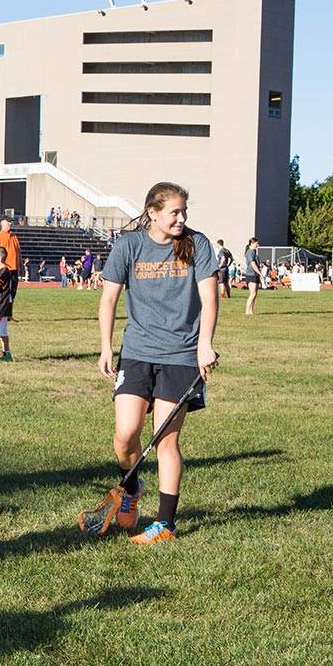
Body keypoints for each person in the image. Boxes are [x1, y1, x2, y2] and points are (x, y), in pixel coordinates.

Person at [98, 182, 219, 545]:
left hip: (181, 354)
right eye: (174, 212)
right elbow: (108, 300)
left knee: (166, 439)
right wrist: (106, 347)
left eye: (184, 212)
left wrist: (205, 345)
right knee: (125, 435)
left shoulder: (197, 245)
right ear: (152, 212)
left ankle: (165, 524)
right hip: (136, 351)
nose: (181, 219)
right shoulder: (128, 245)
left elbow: (210, 299)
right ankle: (131, 488)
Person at [0, 217, 22, 314]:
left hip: (14, 268)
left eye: (11, 222)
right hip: (3, 269)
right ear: (2, 223)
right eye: (8, 222)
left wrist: (21, 265)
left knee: (13, 292)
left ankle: (9, 313)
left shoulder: (14, 237)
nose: (10, 224)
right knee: (3, 292)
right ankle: (2, 311)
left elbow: (18, 252)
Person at [243, 237, 261, 316]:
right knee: (252, 293)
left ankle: (251, 311)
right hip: (251, 274)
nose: (258, 245)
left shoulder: (254, 251)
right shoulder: (250, 252)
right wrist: (260, 273)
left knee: (255, 293)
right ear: (252, 243)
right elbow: (253, 264)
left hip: (255, 274)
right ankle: (247, 311)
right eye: (257, 243)